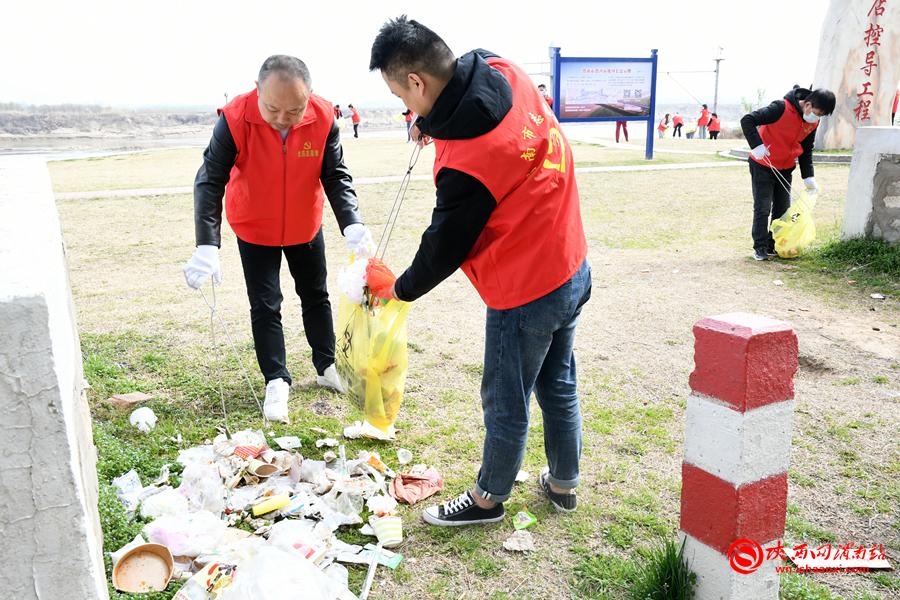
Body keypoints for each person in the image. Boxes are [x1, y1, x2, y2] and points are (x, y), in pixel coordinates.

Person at [368, 16, 591, 527]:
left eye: (404, 97)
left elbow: (445, 245)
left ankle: (489, 499)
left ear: (418, 82)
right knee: (556, 381)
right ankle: (563, 483)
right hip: (571, 261)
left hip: (527, 287)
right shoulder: (501, 68)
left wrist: (398, 288)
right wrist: (432, 122)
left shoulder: (468, 162)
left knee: (505, 397)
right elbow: (472, 87)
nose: (407, 108)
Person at [183, 55, 375, 423]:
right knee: (266, 304)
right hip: (255, 227)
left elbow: (335, 175)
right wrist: (207, 244)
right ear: (258, 92)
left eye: (294, 110)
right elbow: (210, 179)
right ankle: (276, 380)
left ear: (310, 96)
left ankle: (326, 365)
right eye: (273, 108)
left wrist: (352, 223)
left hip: (305, 224)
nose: (283, 118)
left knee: (315, 295)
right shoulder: (235, 119)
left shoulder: (322, 118)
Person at [740, 86, 836, 261]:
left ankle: (773, 244)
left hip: (785, 167)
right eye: (817, 112)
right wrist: (757, 145)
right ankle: (760, 247)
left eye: (821, 115)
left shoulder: (813, 122)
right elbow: (747, 120)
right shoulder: (780, 108)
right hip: (762, 163)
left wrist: (808, 177)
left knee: (782, 209)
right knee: (763, 207)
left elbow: (807, 149)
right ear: (807, 104)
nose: (817, 117)